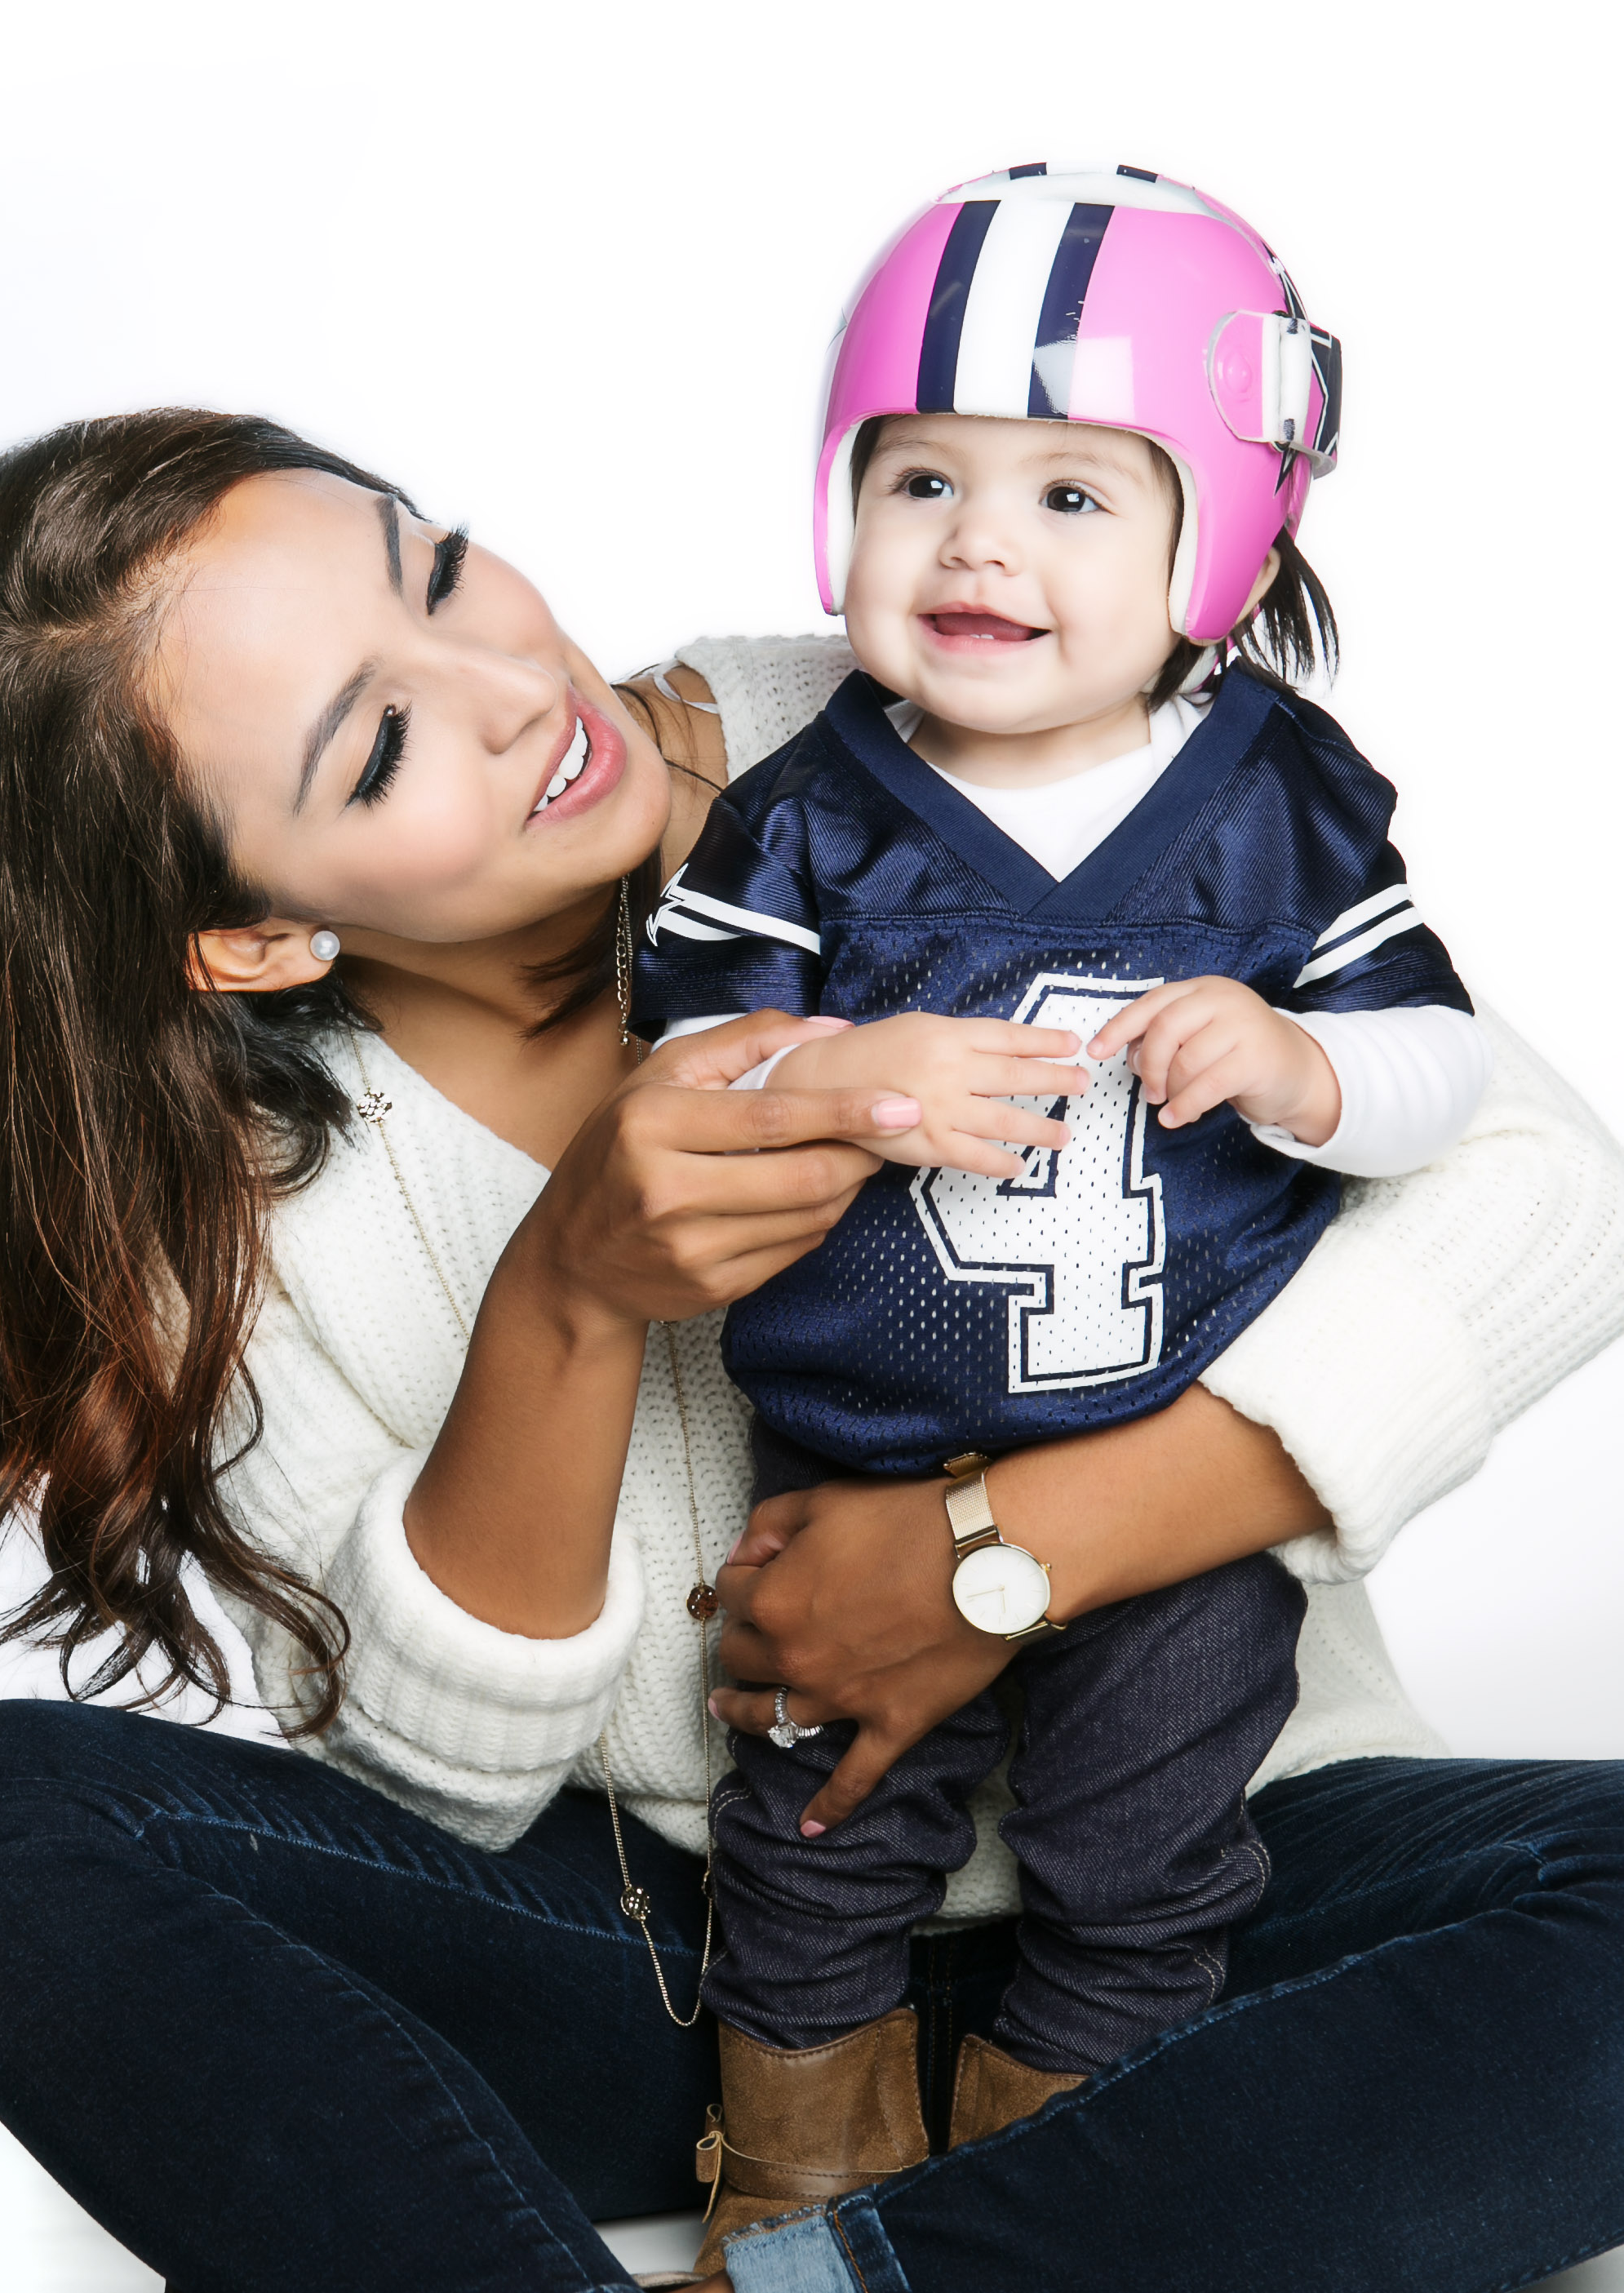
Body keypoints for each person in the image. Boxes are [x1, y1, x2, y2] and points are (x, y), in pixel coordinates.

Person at [0, 407, 1624, 2293]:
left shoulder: (908, 712)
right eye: (382, 740)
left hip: (1221, 1855)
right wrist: (571, 1294)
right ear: (253, 937)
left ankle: (844, 2277)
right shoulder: (223, 1211)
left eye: (436, 568)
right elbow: (451, 1796)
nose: (511, 683)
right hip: (686, 1957)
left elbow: (1537, 1187)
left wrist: (996, 1560)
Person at [631, 163, 1495, 2273]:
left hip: (1158, 1484)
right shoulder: (808, 809)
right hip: (852, 1468)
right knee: (816, 1848)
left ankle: (1033, 2214)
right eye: (917, 477)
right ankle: (798, 2202)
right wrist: (833, 1078)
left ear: (1225, 536)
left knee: (1148, 1860)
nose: (977, 540)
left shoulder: (1277, 796)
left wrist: (1301, 1071)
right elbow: (667, 1091)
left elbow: (1440, 1066)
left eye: (1072, 497)